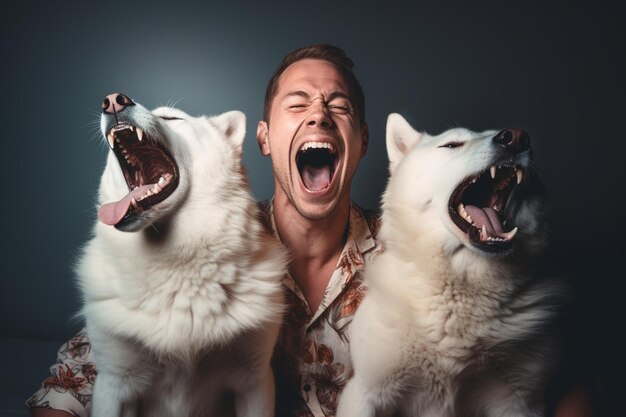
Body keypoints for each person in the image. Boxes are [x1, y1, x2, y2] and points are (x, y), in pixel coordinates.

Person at [27, 44, 592, 417]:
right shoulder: (199, 252)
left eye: (337, 107)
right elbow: (91, 370)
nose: (319, 114)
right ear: (265, 138)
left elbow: (538, 376)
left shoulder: (423, 257)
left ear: (363, 143)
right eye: (299, 105)